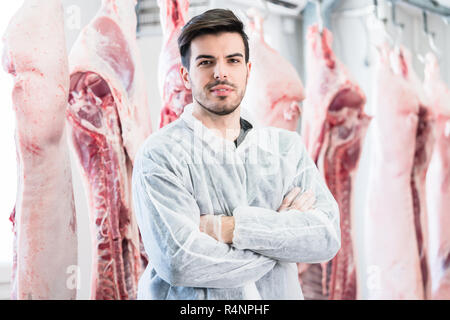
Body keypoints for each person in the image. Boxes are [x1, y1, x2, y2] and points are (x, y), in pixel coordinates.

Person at [132, 8, 340, 300]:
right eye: (206, 62)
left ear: (248, 70)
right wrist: (280, 238)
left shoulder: (286, 149)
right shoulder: (160, 155)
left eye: (233, 60)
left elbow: (325, 238)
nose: (221, 72)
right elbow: (179, 261)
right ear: (185, 75)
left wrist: (227, 228)